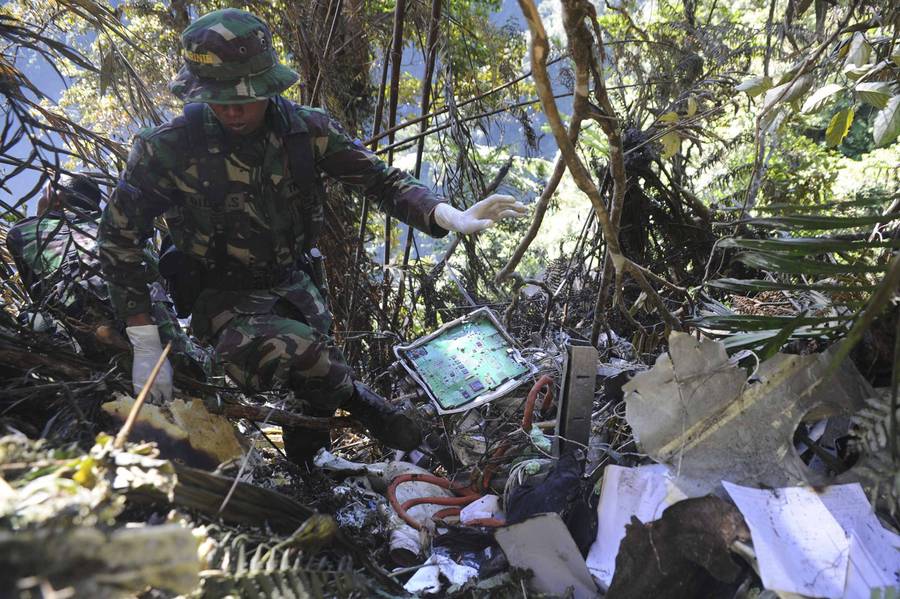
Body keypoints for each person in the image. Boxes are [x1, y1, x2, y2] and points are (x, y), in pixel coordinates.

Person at [98, 8, 526, 464]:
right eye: (219, 98)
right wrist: (145, 338)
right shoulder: (168, 147)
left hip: (296, 285)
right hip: (216, 295)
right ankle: (370, 410)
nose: (233, 110)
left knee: (314, 389)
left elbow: (380, 181)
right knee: (307, 357)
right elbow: (119, 238)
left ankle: (312, 471)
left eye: (245, 96)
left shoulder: (306, 131)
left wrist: (444, 213)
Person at [6, 172, 211, 381]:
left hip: (80, 337)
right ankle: (186, 364)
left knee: (34, 312)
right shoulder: (119, 228)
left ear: (56, 199)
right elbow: (155, 273)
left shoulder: (22, 232)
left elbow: (37, 290)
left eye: (44, 193)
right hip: (147, 327)